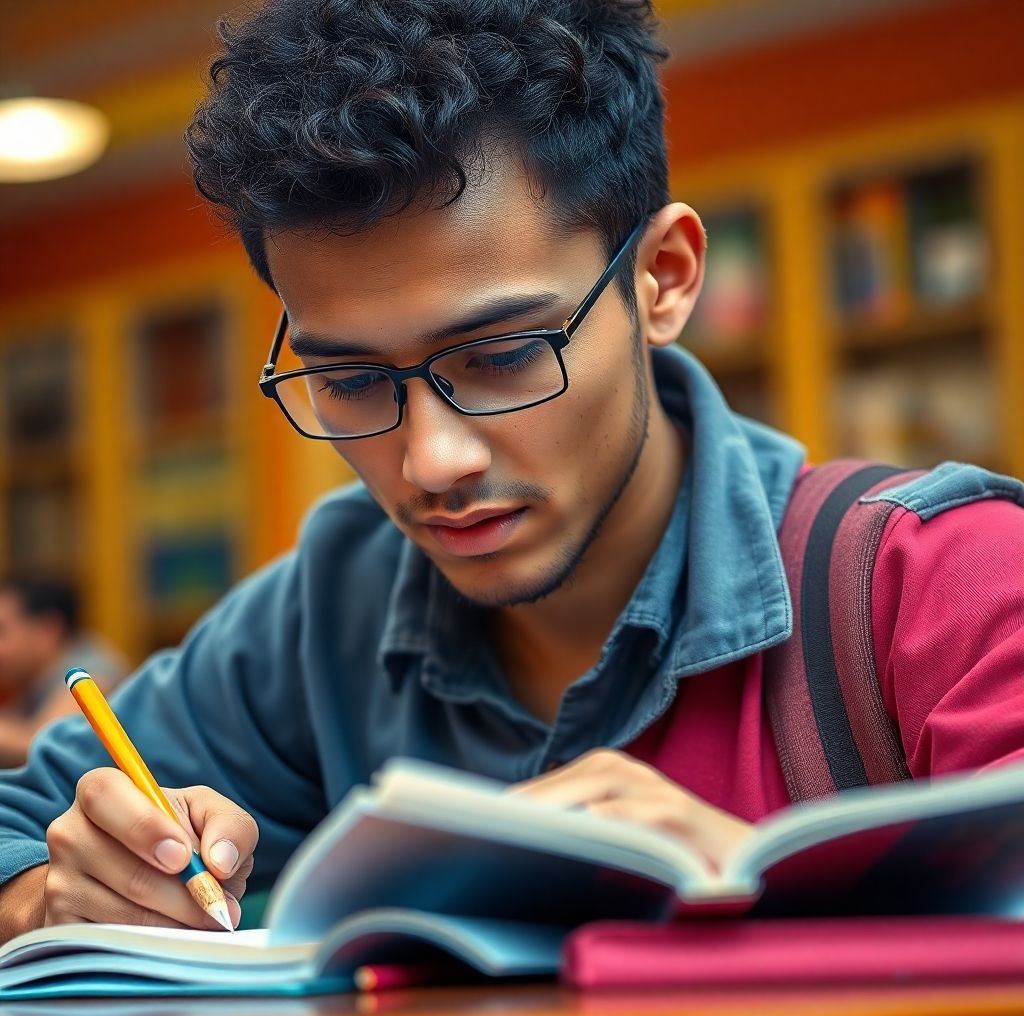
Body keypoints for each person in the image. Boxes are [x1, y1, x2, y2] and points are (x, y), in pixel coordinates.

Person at [0, 0, 1022, 941]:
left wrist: (781, 899)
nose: (432, 461)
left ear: (662, 279)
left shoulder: (937, 586)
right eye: (350, 377)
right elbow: (17, 830)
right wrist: (58, 890)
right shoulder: (325, 611)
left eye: (501, 356)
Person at [0, 578, 127, 768]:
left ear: (48, 630)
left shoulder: (92, 671)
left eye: (2, 631)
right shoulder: (30, 681)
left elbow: (42, 745)